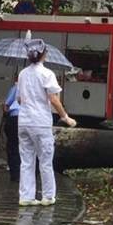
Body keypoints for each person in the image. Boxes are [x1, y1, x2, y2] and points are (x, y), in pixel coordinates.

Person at [17, 40, 76, 206]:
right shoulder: (47, 74)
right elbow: (53, 99)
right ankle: (48, 196)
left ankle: (26, 197)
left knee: (27, 161)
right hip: (40, 123)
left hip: (23, 122)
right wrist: (65, 117)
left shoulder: (22, 74)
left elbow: (20, 99)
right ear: (43, 54)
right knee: (45, 161)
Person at [3, 77, 20, 182]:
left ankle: (15, 175)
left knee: (13, 146)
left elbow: (6, 105)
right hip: (32, 120)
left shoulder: (17, 86)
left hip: (15, 117)